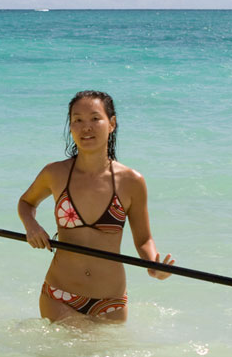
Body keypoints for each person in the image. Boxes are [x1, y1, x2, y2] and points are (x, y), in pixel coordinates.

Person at [17, 90, 173, 323]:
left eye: (94, 118)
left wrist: (154, 264)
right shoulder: (55, 173)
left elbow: (143, 240)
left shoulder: (132, 181)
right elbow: (26, 203)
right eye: (77, 120)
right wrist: (32, 226)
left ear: (111, 124)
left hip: (110, 301)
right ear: (70, 127)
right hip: (59, 295)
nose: (85, 127)